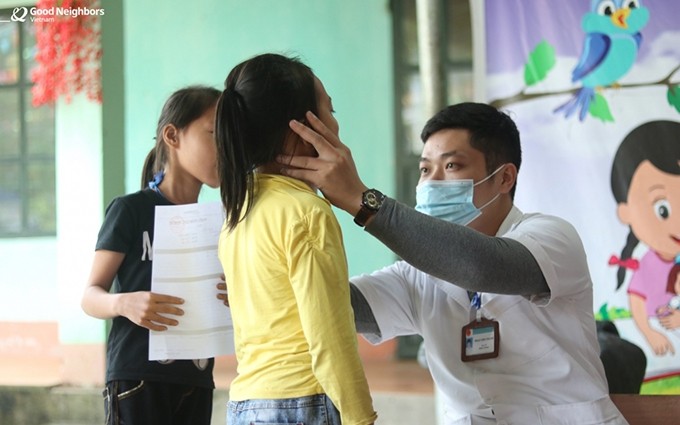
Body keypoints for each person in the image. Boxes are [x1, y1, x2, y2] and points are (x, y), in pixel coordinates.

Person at [282, 102, 628, 424]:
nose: (431, 182)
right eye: (424, 169)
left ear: (505, 178)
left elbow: (482, 266)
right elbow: (337, 304)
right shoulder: (416, 275)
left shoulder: (551, 236)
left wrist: (364, 202)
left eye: (451, 166)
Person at [215, 53, 376, 425]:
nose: (336, 124)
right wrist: (360, 417)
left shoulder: (238, 212)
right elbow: (330, 335)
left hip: (245, 404)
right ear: (301, 130)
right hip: (301, 404)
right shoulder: (306, 212)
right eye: (330, 111)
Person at [81, 86, 225, 425]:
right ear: (172, 136)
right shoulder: (131, 210)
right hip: (136, 378)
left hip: (197, 379)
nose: (226, 148)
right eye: (214, 134)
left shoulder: (217, 222)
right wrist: (123, 303)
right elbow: (90, 296)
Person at [610, 120, 680, 356]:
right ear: (626, 212)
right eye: (663, 210)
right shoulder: (647, 265)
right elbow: (638, 302)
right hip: (661, 338)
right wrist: (651, 333)